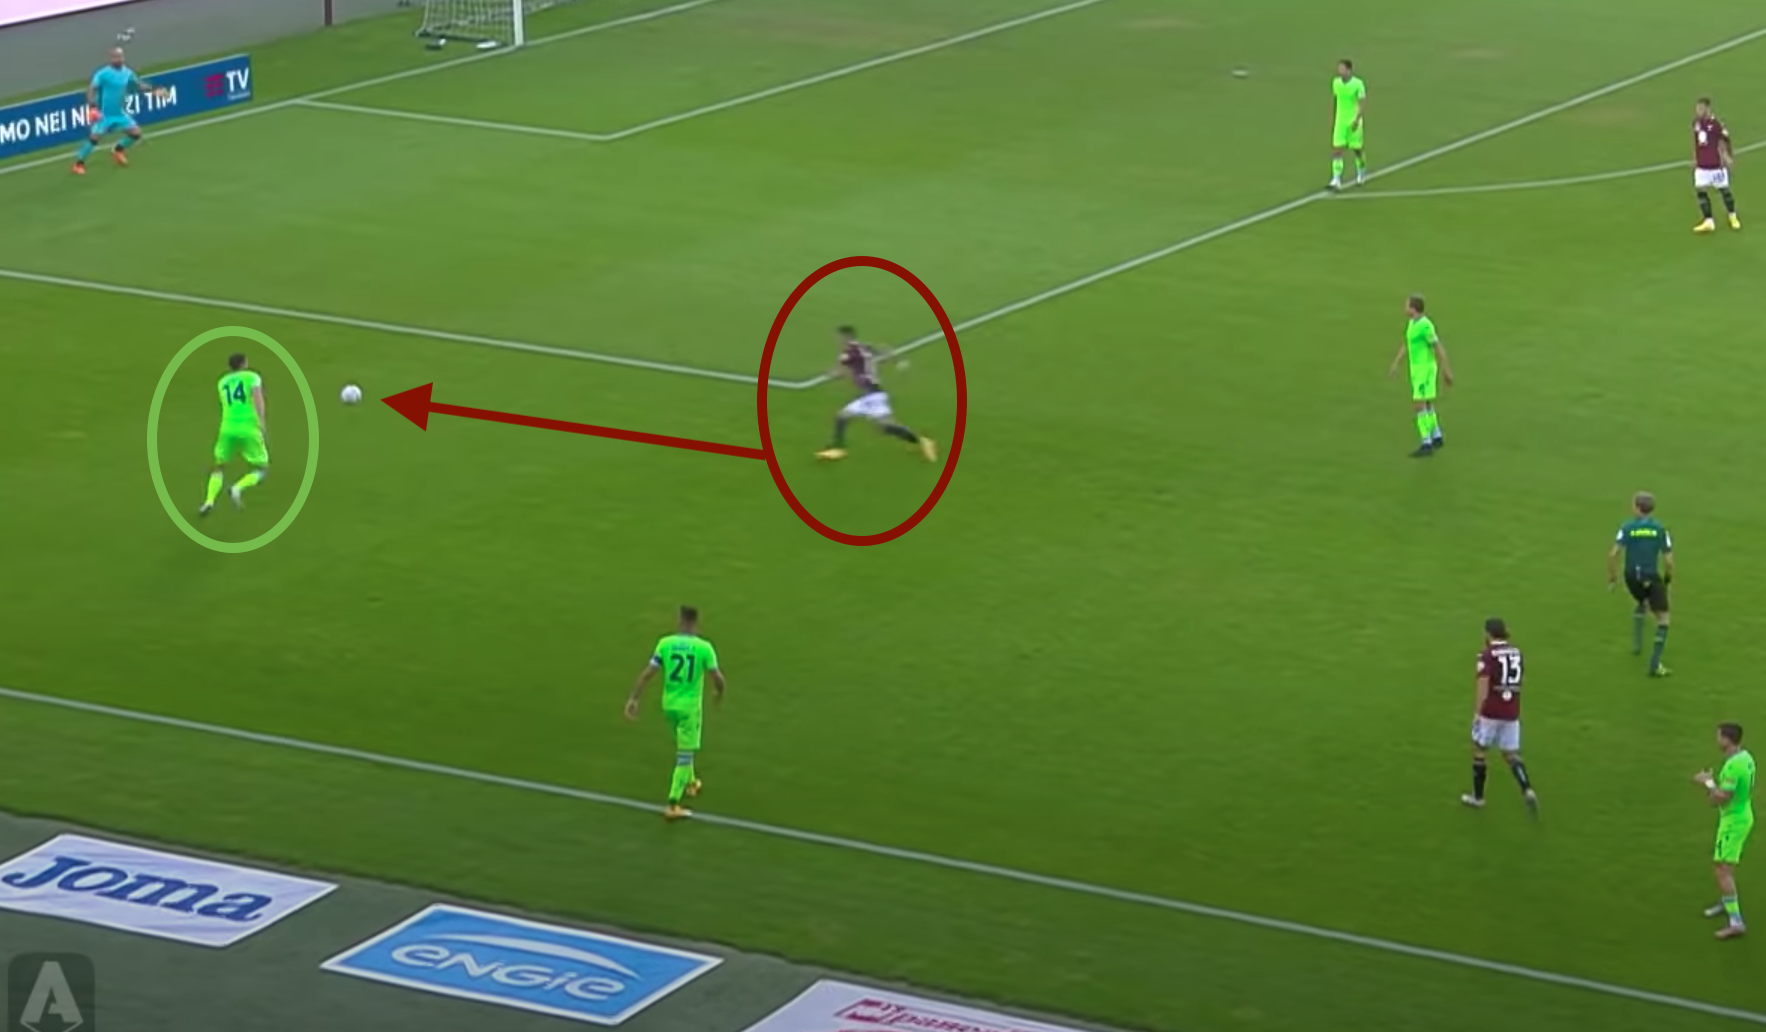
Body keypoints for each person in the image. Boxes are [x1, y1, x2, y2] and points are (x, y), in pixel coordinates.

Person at [625, 606, 726, 820]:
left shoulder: (665, 644)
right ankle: (673, 804)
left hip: (669, 706)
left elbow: (648, 673)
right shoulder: (704, 648)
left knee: (683, 747)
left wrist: (634, 699)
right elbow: (717, 677)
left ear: (680, 621)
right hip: (689, 710)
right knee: (684, 755)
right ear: (696, 623)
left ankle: (691, 782)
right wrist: (719, 692)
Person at [815, 326, 937, 463]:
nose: (837, 340)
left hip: (870, 394)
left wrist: (829, 374)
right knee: (850, 418)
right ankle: (837, 448)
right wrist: (897, 360)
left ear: (846, 337)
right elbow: (884, 349)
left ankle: (921, 441)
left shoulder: (848, 353)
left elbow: (840, 373)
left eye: (839, 337)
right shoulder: (864, 347)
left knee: (879, 425)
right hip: (872, 393)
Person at [1461, 618, 1537, 815]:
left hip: (1491, 712)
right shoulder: (1516, 652)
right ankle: (1527, 789)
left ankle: (1478, 798)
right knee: (1510, 754)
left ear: (1488, 634)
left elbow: (1483, 685)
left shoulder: (1487, 656)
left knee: (1479, 749)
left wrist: (1478, 712)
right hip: (1511, 711)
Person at [1695, 723, 1754, 939]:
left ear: (1728, 740)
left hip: (1733, 822)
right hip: (1741, 815)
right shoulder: (1745, 758)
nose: (1717, 740)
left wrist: (1707, 783)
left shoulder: (1733, 767)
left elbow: (1721, 798)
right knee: (1726, 866)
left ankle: (1736, 922)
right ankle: (1726, 901)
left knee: (1721, 870)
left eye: (1719, 737)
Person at [1608, 492, 1673, 676]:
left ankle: (1637, 644)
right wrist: (1667, 578)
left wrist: (1613, 578)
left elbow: (1613, 554)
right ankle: (1654, 665)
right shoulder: (1660, 530)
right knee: (1663, 619)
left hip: (1631, 577)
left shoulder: (1627, 527)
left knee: (1642, 602)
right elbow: (1669, 561)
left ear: (1637, 508)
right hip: (1650, 576)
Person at [74, 47, 165, 175]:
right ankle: (79, 164)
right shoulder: (103, 74)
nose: (119, 59)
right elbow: (91, 88)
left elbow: (139, 85)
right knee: (94, 138)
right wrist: (92, 107)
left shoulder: (127, 73)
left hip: (119, 113)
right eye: (116, 57)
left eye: (120, 57)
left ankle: (118, 150)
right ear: (111, 59)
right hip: (104, 114)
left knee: (136, 134)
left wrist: (154, 89)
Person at [200, 353, 269, 516]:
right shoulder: (252, 377)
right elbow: (258, 399)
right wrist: (262, 423)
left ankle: (209, 501)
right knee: (262, 469)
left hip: (227, 427)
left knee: (219, 466)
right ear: (244, 363)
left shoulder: (222, 382)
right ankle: (237, 488)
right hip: (248, 427)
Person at [1386, 295, 1453, 457]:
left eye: (1407, 305)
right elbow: (1407, 344)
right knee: (1427, 403)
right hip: (1416, 370)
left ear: (1413, 308)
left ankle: (1426, 443)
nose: (1404, 308)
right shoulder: (1412, 323)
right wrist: (1396, 363)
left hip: (1425, 370)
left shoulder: (1425, 326)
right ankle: (1436, 436)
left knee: (1419, 404)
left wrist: (1446, 370)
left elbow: (1438, 347)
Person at [1692, 97, 1740, 233]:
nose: (1698, 111)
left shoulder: (1716, 124)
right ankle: (1708, 221)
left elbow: (1725, 140)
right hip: (1702, 166)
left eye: (1701, 108)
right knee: (1701, 192)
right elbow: (1696, 142)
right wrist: (1695, 158)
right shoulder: (1696, 123)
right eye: (1697, 108)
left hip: (1716, 165)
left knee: (1725, 192)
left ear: (1707, 109)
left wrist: (1728, 156)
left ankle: (1732, 216)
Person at [1328, 59, 1367, 191]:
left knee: (1357, 150)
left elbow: (1362, 103)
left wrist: (1357, 119)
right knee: (1337, 150)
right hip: (1340, 122)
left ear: (1349, 70)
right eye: (1339, 68)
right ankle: (1336, 179)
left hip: (1353, 122)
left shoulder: (1358, 84)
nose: (1340, 71)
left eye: (1342, 69)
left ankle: (1361, 172)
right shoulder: (1336, 83)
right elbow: (1337, 100)